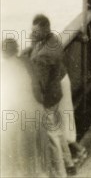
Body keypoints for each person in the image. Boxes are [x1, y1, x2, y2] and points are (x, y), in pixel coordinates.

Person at [22, 14, 74, 177]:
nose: (33, 34)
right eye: (32, 31)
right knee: (57, 130)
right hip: (56, 93)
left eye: (35, 32)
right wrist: (34, 43)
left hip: (47, 99)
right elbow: (37, 50)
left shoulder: (42, 57)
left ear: (44, 31)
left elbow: (40, 83)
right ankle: (69, 163)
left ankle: (61, 173)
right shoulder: (53, 41)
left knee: (52, 138)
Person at [1, 38, 47, 177]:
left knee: (20, 155)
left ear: (3, 53)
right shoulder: (27, 62)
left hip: (18, 117)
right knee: (37, 155)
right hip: (36, 111)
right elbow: (40, 85)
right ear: (16, 49)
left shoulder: (3, 69)